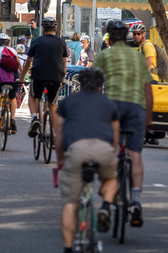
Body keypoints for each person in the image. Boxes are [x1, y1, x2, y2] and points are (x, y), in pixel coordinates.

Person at [92, 19, 153, 227]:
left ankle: (107, 205)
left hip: (113, 108)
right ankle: (136, 201)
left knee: (110, 152)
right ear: (126, 35)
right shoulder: (136, 57)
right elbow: (147, 88)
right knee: (135, 155)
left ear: (109, 36)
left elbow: (93, 85)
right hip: (135, 108)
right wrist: (149, 116)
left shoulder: (104, 56)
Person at [55, 68, 119, 253]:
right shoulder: (109, 103)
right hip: (104, 149)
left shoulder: (68, 101)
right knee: (111, 178)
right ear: (100, 85)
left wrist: (60, 158)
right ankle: (106, 206)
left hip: (76, 150)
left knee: (70, 203)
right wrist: (110, 155)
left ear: (79, 83)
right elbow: (115, 135)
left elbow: (59, 133)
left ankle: (68, 248)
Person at [18, 17, 67, 138]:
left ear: (43, 28)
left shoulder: (36, 41)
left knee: (33, 96)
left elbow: (28, 62)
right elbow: (63, 62)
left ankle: (34, 117)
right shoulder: (61, 42)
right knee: (52, 105)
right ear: (55, 29)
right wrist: (63, 78)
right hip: (56, 76)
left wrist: (22, 77)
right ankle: (55, 136)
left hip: (38, 75)